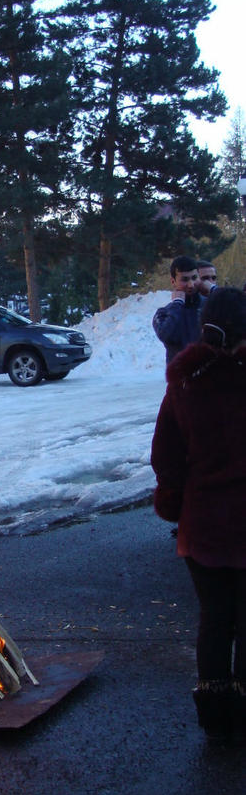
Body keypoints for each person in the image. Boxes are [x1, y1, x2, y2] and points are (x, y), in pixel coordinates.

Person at [151, 286, 246, 743]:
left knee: (214, 618)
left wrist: (175, 497)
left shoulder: (185, 382)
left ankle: (214, 715)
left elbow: (165, 456)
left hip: (203, 525)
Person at [152, 255, 217, 365]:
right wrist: (177, 304)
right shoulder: (164, 313)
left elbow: (238, 311)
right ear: (173, 282)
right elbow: (166, 335)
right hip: (181, 373)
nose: (191, 285)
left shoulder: (211, 306)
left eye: (194, 278)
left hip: (211, 372)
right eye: (184, 280)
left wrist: (214, 290)